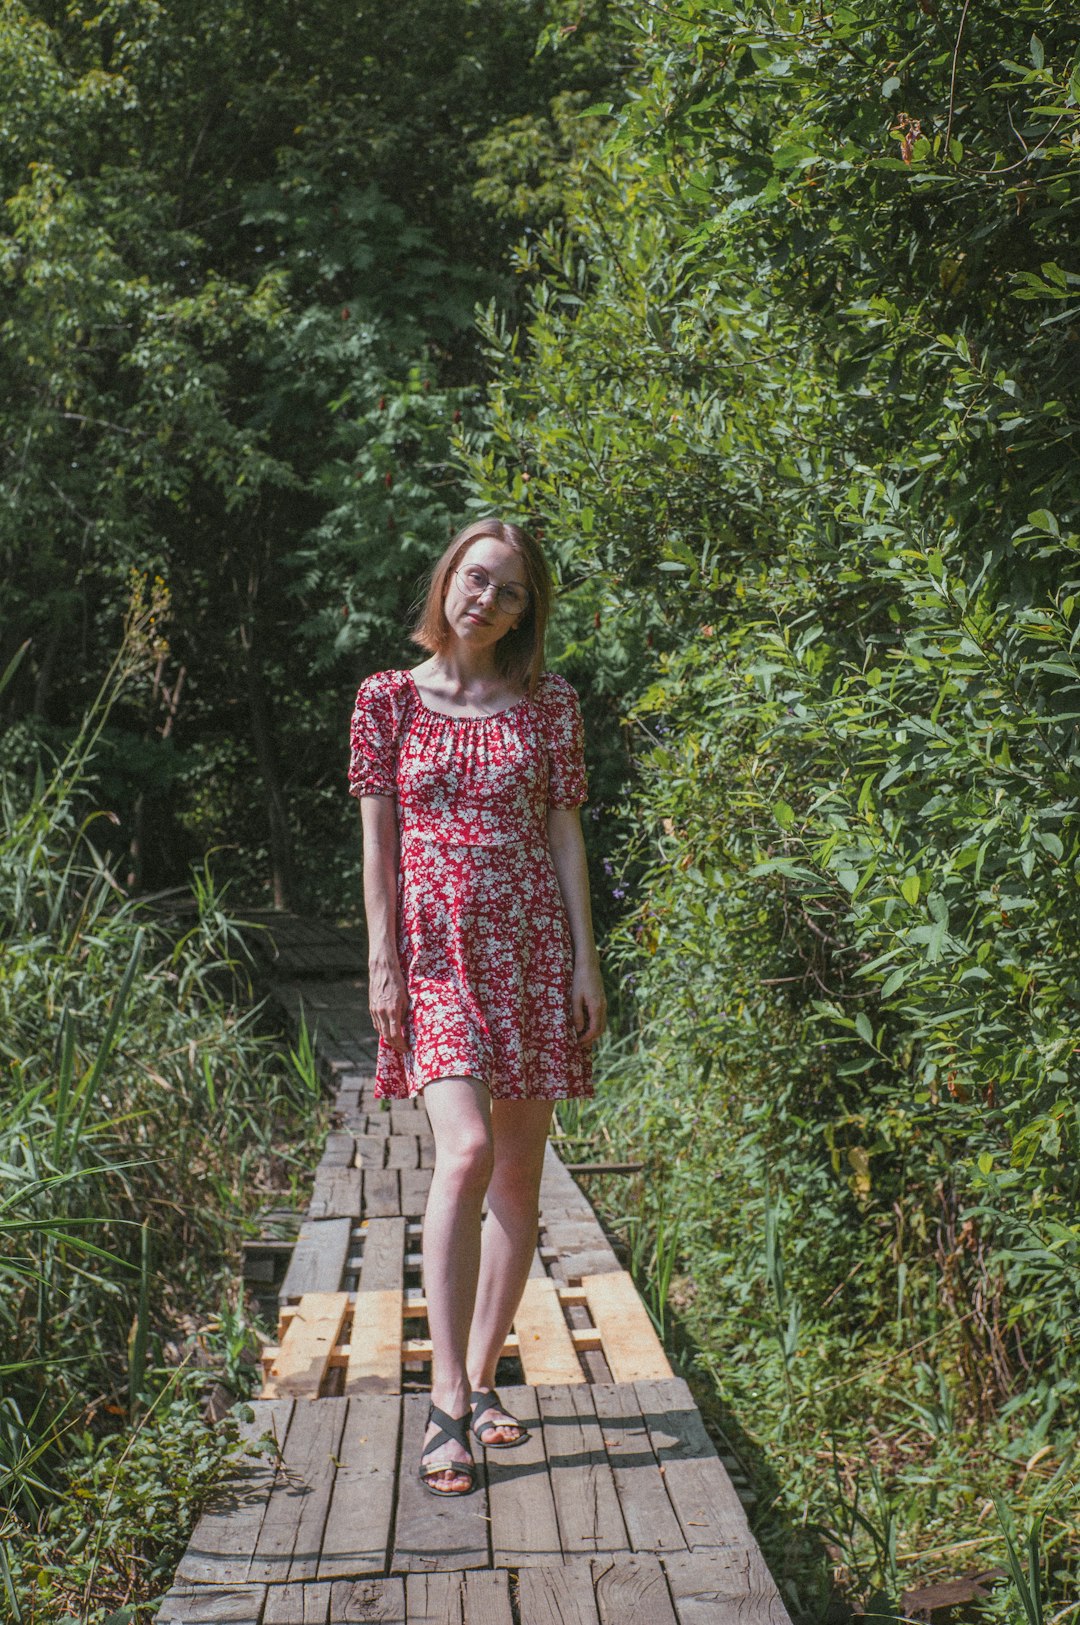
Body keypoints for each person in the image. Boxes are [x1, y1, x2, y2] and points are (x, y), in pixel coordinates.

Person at [348, 517, 606, 1496]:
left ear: (523, 610)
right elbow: (377, 847)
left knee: (519, 1173)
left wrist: (588, 961)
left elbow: (566, 833)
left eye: (507, 590)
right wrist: (381, 963)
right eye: (473, 576)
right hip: (435, 953)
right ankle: (444, 1396)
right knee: (465, 1149)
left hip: (532, 945)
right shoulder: (386, 701)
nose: (484, 598)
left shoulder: (550, 705)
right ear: (445, 575)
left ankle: (486, 1374)